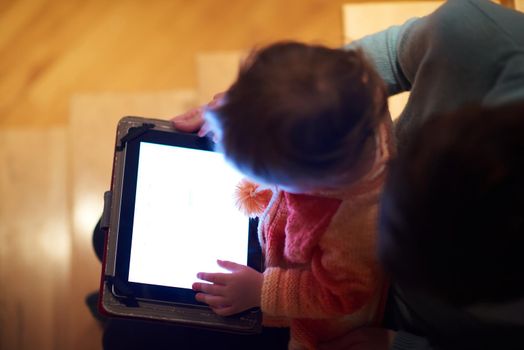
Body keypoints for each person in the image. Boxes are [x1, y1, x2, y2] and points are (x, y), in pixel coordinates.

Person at [186, 41, 394, 349]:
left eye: (268, 178)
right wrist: (237, 114)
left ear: (310, 183)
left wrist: (260, 291)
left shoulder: (355, 229)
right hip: (279, 247)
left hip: (317, 316)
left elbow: (340, 296)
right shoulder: (354, 104)